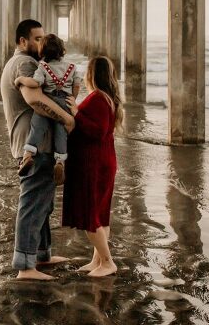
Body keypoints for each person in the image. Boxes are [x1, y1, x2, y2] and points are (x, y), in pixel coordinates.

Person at [0, 19, 75, 280]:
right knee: (33, 203)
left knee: (43, 203)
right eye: (37, 38)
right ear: (23, 41)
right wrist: (66, 118)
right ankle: (25, 266)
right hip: (36, 145)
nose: (42, 43)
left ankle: (41, 255)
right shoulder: (26, 64)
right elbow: (34, 99)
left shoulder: (24, 63)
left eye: (44, 38)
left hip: (35, 144)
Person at [63, 55, 123, 277]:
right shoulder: (108, 98)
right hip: (104, 160)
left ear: (91, 75)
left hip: (94, 163)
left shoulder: (99, 98)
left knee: (91, 218)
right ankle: (97, 261)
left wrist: (77, 113)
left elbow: (97, 131)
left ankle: (108, 262)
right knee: (101, 214)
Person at [15, 33, 82, 186]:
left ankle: (28, 155)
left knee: (37, 126)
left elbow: (35, 83)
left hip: (49, 100)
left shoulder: (43, 66)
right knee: (61, 132)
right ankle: (59, 162)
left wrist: (20, 80)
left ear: (42, 52)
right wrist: (73, 98)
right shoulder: (72, 67)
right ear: (62, 50)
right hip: (65, 103)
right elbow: (77, 84)